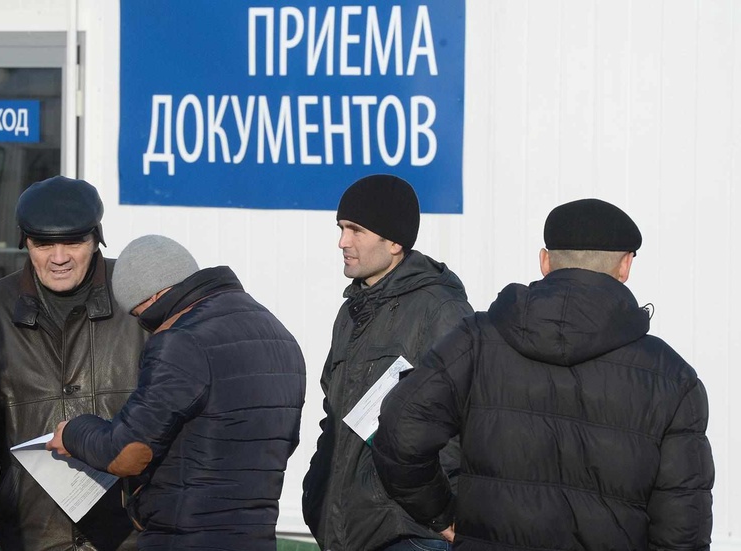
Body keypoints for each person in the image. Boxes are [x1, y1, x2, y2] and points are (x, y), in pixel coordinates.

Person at [372, 198, 715, 549]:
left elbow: (400, 433)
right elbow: (683, 527)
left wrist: (442, 514)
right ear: (625, 266)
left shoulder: (475, 341)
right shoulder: (672, 378)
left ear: (545, 261)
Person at [45, 234, 306, 550]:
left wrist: (73, 432)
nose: (148, 328)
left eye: (141, 316)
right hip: (256, 538)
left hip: (186, 537)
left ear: (153, 297)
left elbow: (128, 453)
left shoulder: (181, 340)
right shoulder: (280, 336)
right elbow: (284, 443)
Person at [0, 176, 147, 551]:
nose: (59, 258)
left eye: (73, 242)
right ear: (25, 242)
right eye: (43, 244)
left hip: (131, 535)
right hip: (32, 535)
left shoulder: (137, 298)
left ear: (96, 239)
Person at [301, 174, 473, 551]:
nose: (342, 242)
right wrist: (316, 490)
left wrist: (438, 513)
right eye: (341, 228)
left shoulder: (441, 310)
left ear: (395, 242)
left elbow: (456, 428)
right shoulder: (351, 312)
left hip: (409, 533)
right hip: (348, 529)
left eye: (356, 230)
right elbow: (336, 414)